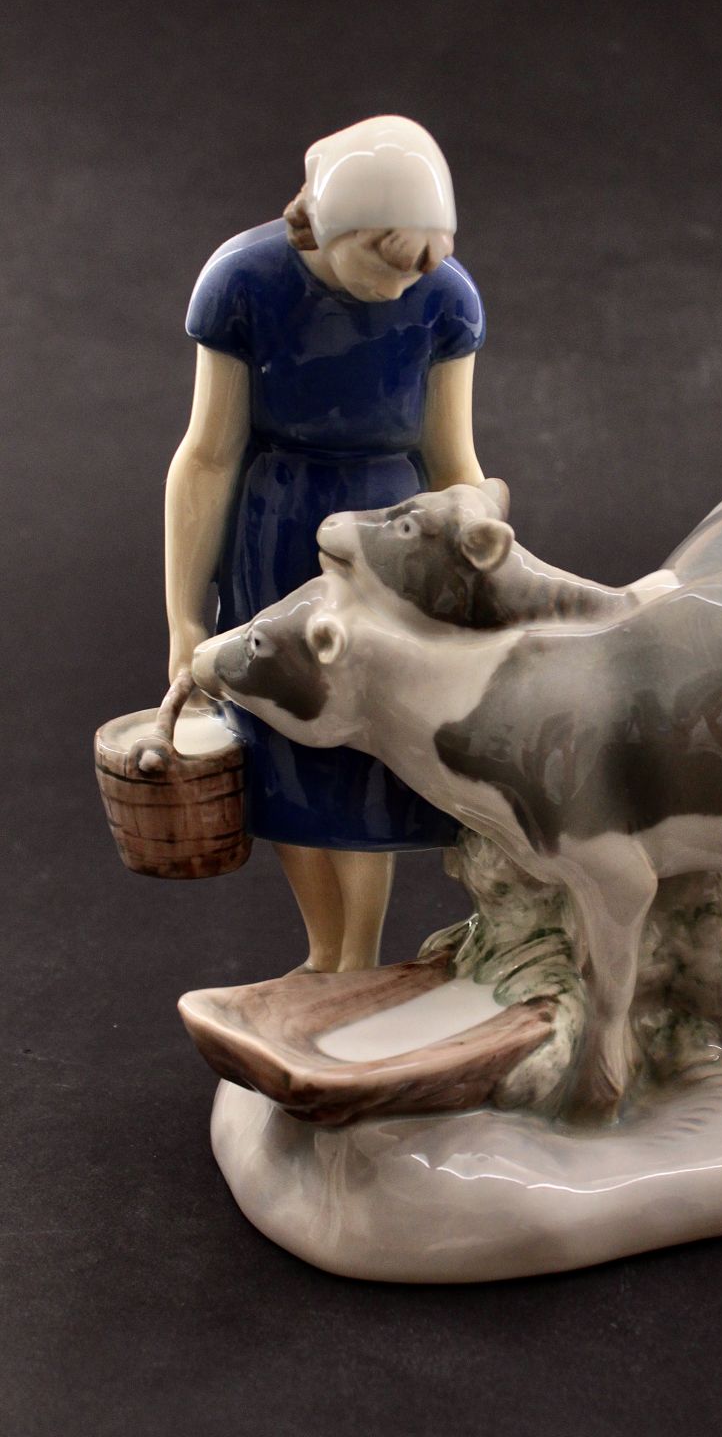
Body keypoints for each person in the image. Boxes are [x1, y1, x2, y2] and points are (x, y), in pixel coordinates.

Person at [164, 116, 487, 972]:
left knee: (367, 760)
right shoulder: (244, 282)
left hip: (389, 548)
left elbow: (453, 459)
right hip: (275, 535)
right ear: (325, 227)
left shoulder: (446, 299)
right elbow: (208, 455)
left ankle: (358, 963)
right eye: (385, 260)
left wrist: (480, 569)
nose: (403, 282)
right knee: (281, 758)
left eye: (420, 264)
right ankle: (323, 956)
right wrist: (185, 617)